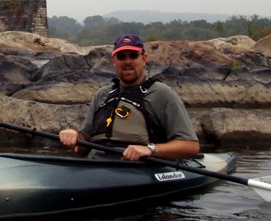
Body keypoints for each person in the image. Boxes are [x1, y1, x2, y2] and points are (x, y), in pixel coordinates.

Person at [59, 34, 200, 161]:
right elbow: (83, 146)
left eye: (133, 55)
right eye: (121, 57)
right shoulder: (102, 95)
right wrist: (74, 137)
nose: (128, 61)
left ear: (144, 58)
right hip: (98, 165)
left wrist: (150, 149)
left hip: (140, 169)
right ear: (114, 60)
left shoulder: (163, 95)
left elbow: (190, 146)